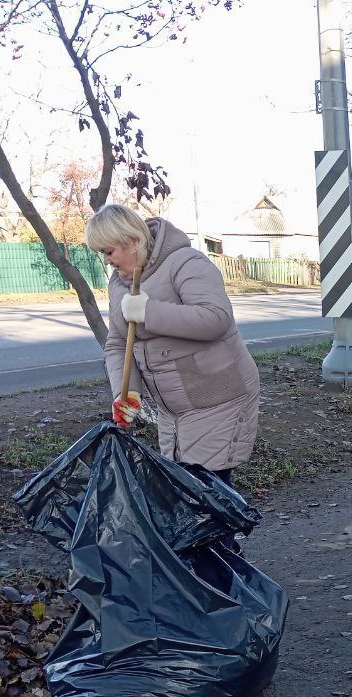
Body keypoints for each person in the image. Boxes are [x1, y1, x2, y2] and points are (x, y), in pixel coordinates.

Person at [86, 204, 260, 551]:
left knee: (205, 493)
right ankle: (210, 570)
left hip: (218, 396)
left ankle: (226, 573)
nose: (107, 260)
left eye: (109, 250)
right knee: (189, 491)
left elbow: (215, 319)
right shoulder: (119, 284)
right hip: (174, 408)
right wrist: (126, 392)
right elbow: (118, 343)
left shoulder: (185, 263)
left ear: (133, 241)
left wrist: (148, 311)